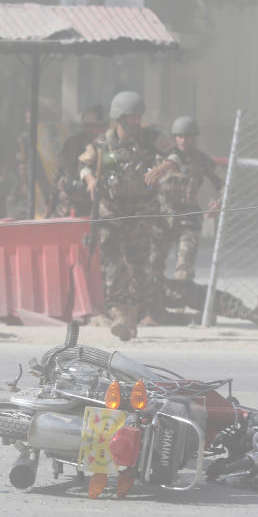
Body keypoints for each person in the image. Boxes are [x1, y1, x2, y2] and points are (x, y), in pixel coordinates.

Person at [142, 116, 258, 326]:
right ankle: (156, 310)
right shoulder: (160, 160)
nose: (185, 141)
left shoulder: (201, 160)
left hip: (188, 221)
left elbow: (225, 184)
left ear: (195, 138)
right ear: (175, 138)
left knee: (184, 270)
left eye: (189, 136)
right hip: (162, 220)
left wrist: (218, 202)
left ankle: (180, 308)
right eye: (181, 136)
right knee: (153, 267)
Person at [78, 91, 175, 341]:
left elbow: (175, 155)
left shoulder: (150, 138)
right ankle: (119, 315)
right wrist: (89, 179)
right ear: (119, 118)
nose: (136, 122)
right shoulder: (103, 143)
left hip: (141, 213)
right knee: (112, 264)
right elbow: (84, 164)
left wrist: (163, 166)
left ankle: (132, 317)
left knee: (137, 266)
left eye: (139, 117)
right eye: (132, 117)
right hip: (111, 212)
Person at [45, 104, 108, 218]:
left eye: (104, 126)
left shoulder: (108, 142)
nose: (101, 130)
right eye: (96, 126)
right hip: (75, 199)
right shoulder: (73, 144)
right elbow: (69, 177)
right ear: (86, 126)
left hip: (100, 199)